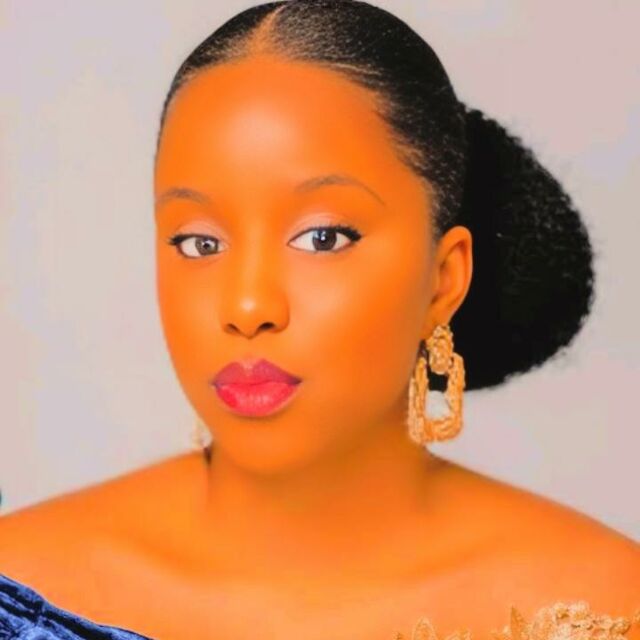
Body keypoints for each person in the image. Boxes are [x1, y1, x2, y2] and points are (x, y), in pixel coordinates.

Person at [1, 1, 638, 639]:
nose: (247, 307)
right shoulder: (20, 587)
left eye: (323, 238)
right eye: (199, 242)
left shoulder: (605, 605)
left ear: (444, 278)